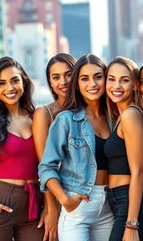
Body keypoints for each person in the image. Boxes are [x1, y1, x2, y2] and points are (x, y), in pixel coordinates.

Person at [38, 54, 114, 240]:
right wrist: (64, 200)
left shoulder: (116, 118)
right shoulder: (66, 120)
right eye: (84, 79)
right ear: (77, 84)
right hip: (78, 207)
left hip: (110, 207)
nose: (92, 84)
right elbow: (46, 167)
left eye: (98, 77)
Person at [0, 56, 44, 240]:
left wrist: (49, 206)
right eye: (1, 83)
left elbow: (48, 166)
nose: (10, 88)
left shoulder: (37, 119)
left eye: (15, 80)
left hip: (33, 207)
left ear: (23, 80)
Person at [104, 56, 143, 241]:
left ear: (135, 85)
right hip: (118, 200)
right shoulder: (121, 116)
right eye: (111, 79)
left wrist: (132, 223)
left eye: (124, 80)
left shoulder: (130, 115)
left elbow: (138, 172)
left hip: (128, 201)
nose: (116, 85)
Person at [32, 53, 76, 241]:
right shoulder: (45, 113)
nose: (63, 81)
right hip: (60, 199)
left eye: (68, 74)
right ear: (50, 82)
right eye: (56, 77)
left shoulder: (91, 110)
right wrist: (50, 208)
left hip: (95, 198)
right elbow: (44, 165)